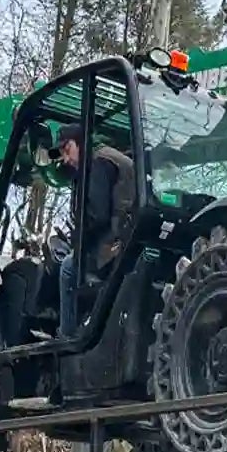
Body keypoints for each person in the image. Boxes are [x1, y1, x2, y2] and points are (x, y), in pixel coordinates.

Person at [53, 128, 135, 335]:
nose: (65, 159)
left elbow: (98, 216)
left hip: (112, 244)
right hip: (127, 237)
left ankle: (66, 333)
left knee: (68, 268)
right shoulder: (117, 158)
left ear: (80, 142)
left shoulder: (97, 163)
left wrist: (79, 242)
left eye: (67, 148)